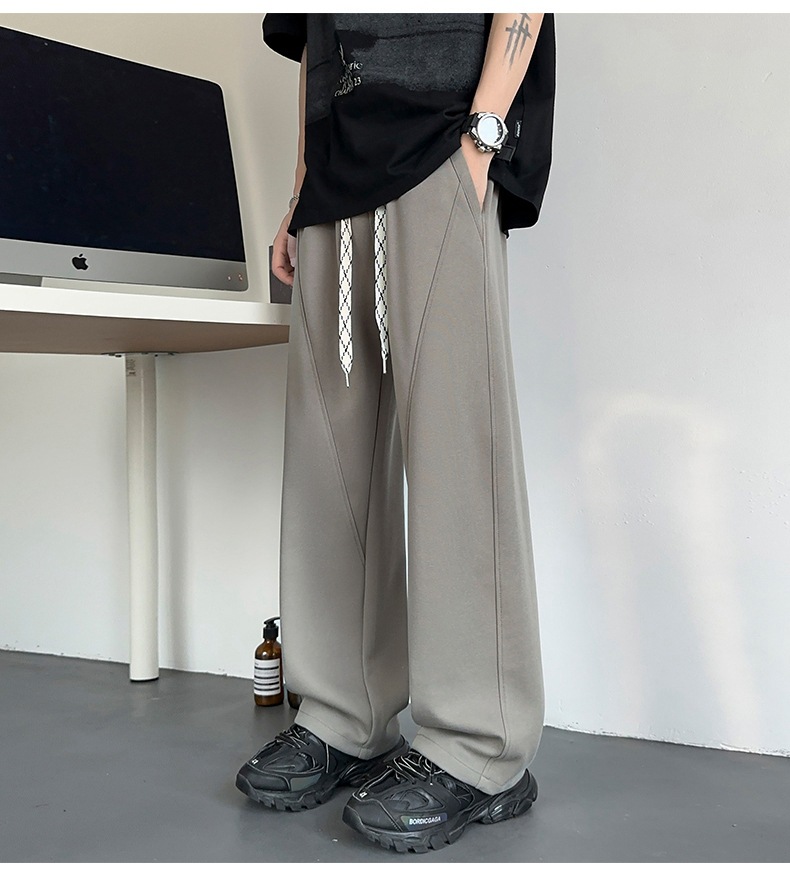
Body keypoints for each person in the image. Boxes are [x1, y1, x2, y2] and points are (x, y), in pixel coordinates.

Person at [236, 12, 556, 854]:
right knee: (329, 454)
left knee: (457, 445)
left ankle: (482, 742)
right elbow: (313, 34)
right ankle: (344, 712)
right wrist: (302, 186)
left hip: (443, 139)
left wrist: (484, 137)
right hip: (336, 169)